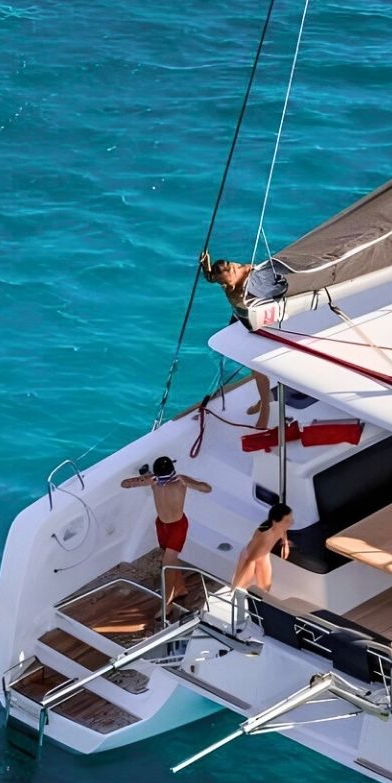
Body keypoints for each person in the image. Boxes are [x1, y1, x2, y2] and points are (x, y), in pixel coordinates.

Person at [200, 253, 286, 428]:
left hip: (255, 321)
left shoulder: (250, 273)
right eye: (222, 283)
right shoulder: (223, 277)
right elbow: (210, 278)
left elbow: (275, 284)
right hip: (238, 318)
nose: (226, 286)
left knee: (256, 369)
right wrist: (205, 266)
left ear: (233, 268)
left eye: (227, 282)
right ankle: (264, 399)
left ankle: (265, 409)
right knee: (249, 365)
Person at [120, 456, 211, 607]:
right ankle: (180, 588)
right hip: (162, 525)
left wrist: (190, 483)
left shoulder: (180, 481)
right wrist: (144, 479)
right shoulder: (153, 480)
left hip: (177, 527)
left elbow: (207, 488)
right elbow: (124, 484)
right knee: (171, 561)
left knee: (167, 565)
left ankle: (166, 606)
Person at [232, 503, 294, 595]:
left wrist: (285, 544)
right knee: (240, 587)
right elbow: (250, 559)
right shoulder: (265, 535)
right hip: (250, 556)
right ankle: (233, 594)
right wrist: (239, 582)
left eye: (291, 518)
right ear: (275, 521)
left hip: (263, 556)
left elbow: (283, 532)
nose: (292, 522)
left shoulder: (281, 526)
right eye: (287, 520)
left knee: (265, 587)